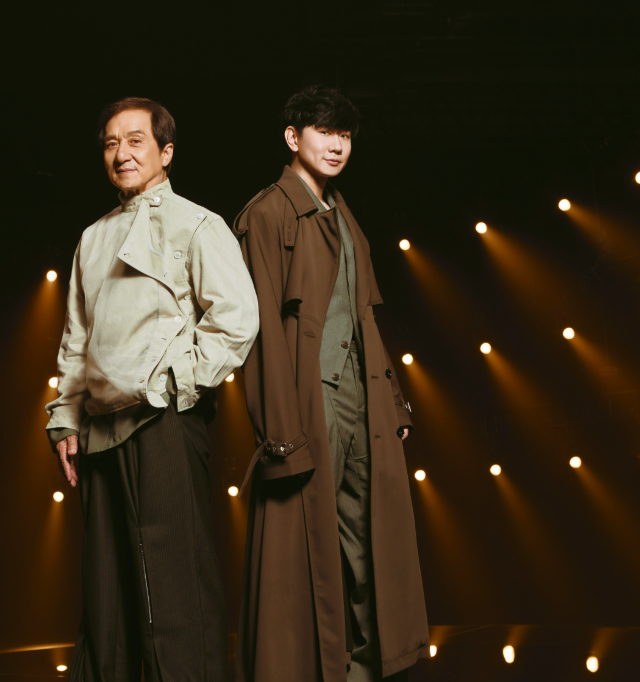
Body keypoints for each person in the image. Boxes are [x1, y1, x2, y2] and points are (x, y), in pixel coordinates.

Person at [45, 96, 259, 682]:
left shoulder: (198, 223)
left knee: (174, 588)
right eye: (111, 143)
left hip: (163, 421)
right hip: (99, 431)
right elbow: (77, 338)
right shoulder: (92, 237)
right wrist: (64, 418)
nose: (122, 153)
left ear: (166, 152)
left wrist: (172, 382)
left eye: (135, 140)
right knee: (106, 600)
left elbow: (236, 319)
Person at [232, 85, 429, 682]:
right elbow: (260, 331)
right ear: (293, 138)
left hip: (359, 399)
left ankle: (367, 671)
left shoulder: (344, 214)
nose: (337, 145)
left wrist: (391, 399)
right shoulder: (266, 214)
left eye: (344, 134)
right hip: (306, 400)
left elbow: (363, 315)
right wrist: (279, 428)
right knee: (303, 544)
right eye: (324, 131)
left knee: (369, 535)